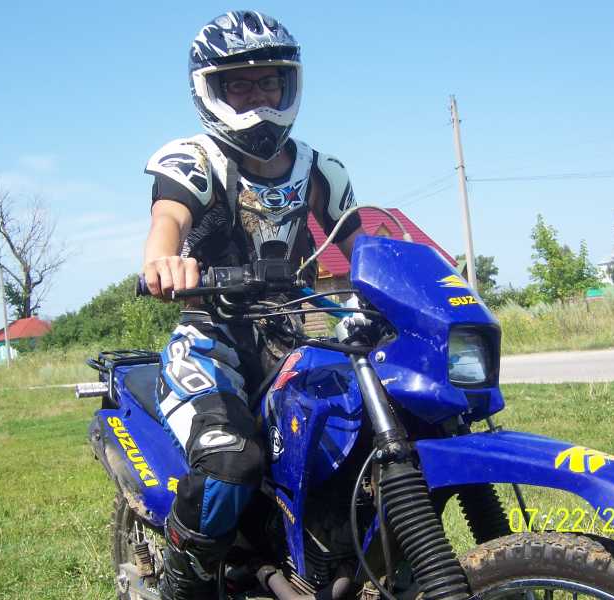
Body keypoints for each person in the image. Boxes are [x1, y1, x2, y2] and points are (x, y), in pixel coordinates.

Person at [141, 10, 363, 599]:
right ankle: (183, 585)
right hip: (211, 339)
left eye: (269, 81)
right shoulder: (194, 160)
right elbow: (169, 218)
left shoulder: (321, 169)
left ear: (290, 84)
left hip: (294, 339)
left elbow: (363, 248)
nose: (258, 96)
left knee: (361, 434)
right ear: (209, 90)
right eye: (239, 84)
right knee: (230, 463)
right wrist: (164, 261)